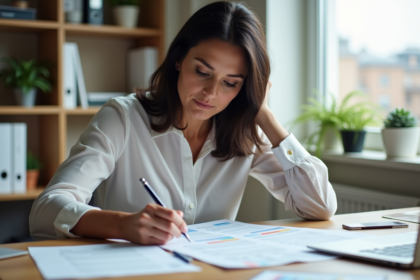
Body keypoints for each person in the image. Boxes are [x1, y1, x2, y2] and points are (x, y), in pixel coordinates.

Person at [29, 1, 337, 245]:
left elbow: (320, 207)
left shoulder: (243, 133)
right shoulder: (122, 118)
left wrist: (264, 114)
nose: (211, 93)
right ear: (178, 60)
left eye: (231, 83)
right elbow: (45, 211)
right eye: (202, 72)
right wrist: (123, 224)